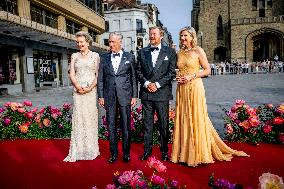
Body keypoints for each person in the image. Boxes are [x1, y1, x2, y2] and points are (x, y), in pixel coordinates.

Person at [171, 26, 249, 167]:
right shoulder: (180, 53)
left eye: (185, 36)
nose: (183, 38)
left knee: (195, 117)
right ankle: (184, 153)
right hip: (181, 88)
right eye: (181, 36)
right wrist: (179, 75)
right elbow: (179, 68)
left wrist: (192, 76)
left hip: (195, 87)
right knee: (184, 117)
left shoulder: (198, 51)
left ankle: (198, 153)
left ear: (192, 37)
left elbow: (207, 70)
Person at [136, 26, 177, 161]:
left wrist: (157, 85)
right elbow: (138, 71)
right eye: (150, 34)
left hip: (162, 93)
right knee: (147, 124)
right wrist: (147, 84)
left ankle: (164, 151)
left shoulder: (170, 52)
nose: (151, 36)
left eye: (154, 34)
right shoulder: (142, 52)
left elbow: (171, 73)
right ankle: (147, 151)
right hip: (147, 93)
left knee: (163, 124)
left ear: (161, 36)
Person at [97, 32, 137, 163]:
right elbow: (100, 78)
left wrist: (134, 96)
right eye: (109, 42)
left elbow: (133, 79)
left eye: (113, 42)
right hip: (109, 96)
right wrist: (101, 96)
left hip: (125, 96)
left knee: (126, 126)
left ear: (120, 42)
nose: (110, 44)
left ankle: (126, 153)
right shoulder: (104, 57)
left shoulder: (130, 57)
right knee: (111, 126)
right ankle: (113, 153)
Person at [64, 31, 100, 162]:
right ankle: (78, 150)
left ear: (88, 42)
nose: (79, 44)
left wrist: (90, 88)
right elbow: (72, 73)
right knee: (79, 118)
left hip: (91, 91)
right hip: (78, 91)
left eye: (81, 42)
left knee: (89, 118)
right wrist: (78, 87)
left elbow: (98, 75)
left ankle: (91, 149)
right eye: (77, 42)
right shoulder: (74, 56)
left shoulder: (95, 55)